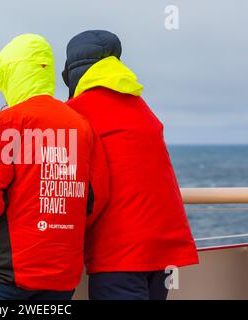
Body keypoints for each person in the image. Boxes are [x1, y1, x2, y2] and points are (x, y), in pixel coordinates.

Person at [0, 34, 108, 300]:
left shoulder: (5, 123)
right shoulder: (81, 125)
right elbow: (96, 198)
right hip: (61, 274)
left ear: (11, 74)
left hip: (6, 274)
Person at [62, 30, 199, 300]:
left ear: (73, 72)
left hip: (120, 254)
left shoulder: (78, 113)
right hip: (162, 253)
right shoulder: (141, 107)